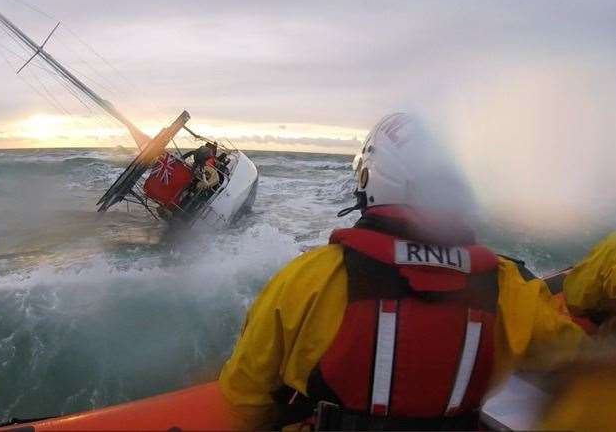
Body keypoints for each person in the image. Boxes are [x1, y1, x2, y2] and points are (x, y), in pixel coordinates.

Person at [218, 113, 616, 430]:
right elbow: (575, 362)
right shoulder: (505, 286)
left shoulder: (309, 279)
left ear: (375, 179)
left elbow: (245, 396)